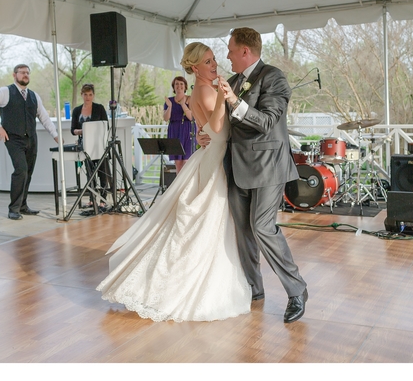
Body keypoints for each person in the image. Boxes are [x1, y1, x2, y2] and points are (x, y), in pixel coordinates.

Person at [96, 42, 251, 322]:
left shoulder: (205, 90)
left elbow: (205, 127)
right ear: (194, 68)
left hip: (213, 153)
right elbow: (217, 127)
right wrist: (221, 98)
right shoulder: (204, 90)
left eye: (213, 58)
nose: (214, 64)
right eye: (207, 61)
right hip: (214, 159)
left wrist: (206, 126)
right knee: (204, 224)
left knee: (211, 224)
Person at [216, 27, 308, 323]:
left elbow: (268, 121)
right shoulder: (231, 82)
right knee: (242, 231)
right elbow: (222, 124)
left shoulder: (274, 77)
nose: (227, 55)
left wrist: (234, 102)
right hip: (236, 166)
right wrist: (209, 136)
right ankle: (254, 289)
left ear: (246, 51)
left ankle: (297, 290)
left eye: (231, 49)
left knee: (262, 227)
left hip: (269, 166)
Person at [0, 64, 60, 220]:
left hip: (31, 138)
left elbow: (43, 117)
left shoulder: (34, 96)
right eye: (22, 72)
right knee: (21, 170)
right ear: (14, 75)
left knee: (28, 173)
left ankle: (23, 206)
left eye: (28, 73)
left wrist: (55, 135)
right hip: (13, 138)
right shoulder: (5, 92)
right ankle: (13, 208)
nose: (26, 75)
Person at [71, 83, 109, 208]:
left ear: (93, 95)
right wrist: (81, 131)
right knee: (89, 172)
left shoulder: (99, 108)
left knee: (102, 173)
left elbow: (105, 125)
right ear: (81, 95)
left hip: (99, 143)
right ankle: (92, 199)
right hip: (85, 144)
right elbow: (73, 129)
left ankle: (103, 200)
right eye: (85, 94)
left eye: (90, 94)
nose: (88, 97)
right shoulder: (77, 110)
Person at [162, 76, 195, 173]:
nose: (179, 86)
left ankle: (187, 186)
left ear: (185, 87)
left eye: (181, 84)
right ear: (173, 87)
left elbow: (191, 117)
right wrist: (170, 107)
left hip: (188, 130)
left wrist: (183, 105)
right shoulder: (169, 101)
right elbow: (165, 118)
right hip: (174, 130)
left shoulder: (190, 99)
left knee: (186, 161)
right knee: (178, 162)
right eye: (177, 84)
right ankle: (179, 187)